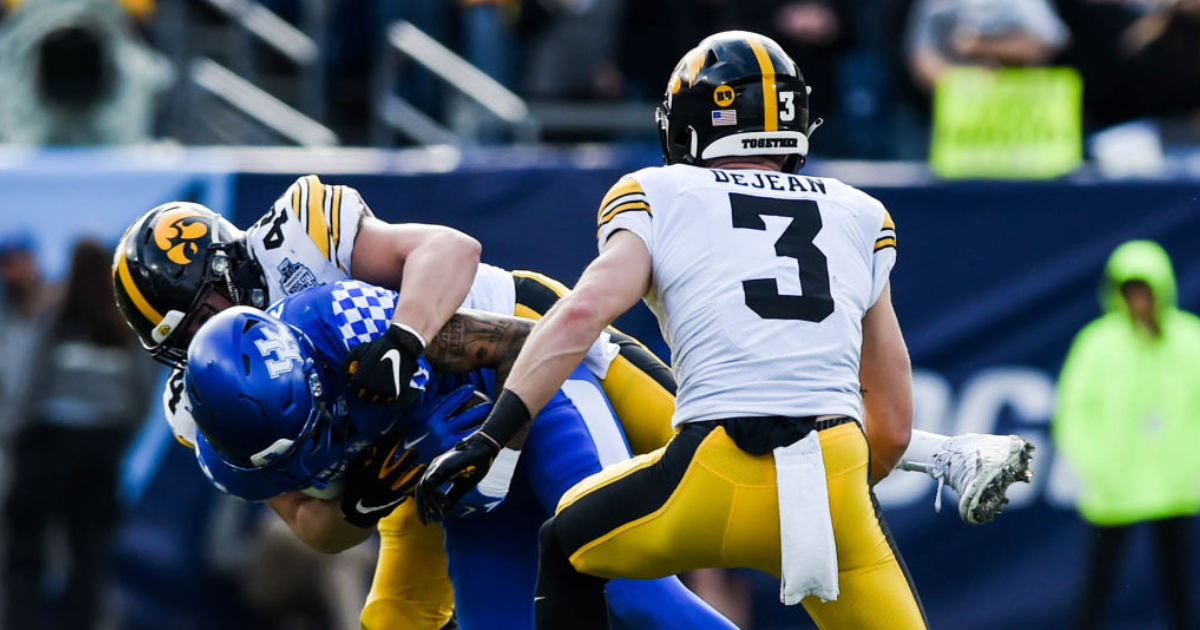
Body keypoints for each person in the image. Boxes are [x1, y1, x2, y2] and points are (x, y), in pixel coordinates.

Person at [112, 173, 1028, 623]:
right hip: (423, 467)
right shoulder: (205, 408)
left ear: (233, 263)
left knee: (707, 439)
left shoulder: (309, 255)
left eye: (210, 315)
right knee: (402, 616)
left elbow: (452, 255)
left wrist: (400, 341)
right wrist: (355, 496)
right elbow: (311, 525)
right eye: (184, 345)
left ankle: (937, 450)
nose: (211, 346)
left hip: (512, 354)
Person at [415, 31, 930, 629]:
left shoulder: (660, 192)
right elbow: (892, 429)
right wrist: (819, 501)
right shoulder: (859, 212)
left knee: (566, 547)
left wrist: (492, 436)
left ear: (688, 122)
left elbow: (580, 315)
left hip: (715, 468)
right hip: (836, 475)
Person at [182, 290, 737, 630]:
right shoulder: (232, 466)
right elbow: (320, 530)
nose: (318, 440)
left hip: (536, 399)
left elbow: (530, 344)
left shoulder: (349, 324)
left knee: (635, 592)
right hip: (453, 480)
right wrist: (365, 498)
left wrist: (489, 455)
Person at [5, 238, 158, 630]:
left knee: (26, 552)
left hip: (48, 447)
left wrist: (15, 436)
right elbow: (142, 395)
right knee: (88, 554)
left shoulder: (54, 317)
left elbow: (27, 385)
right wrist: (117, 441)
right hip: (101, 452)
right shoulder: (125, 325)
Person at [1054, 239, 1200, 630]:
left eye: (1145, 289)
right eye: (1130, 290)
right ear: (1118, 292)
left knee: (1181, 593)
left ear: (1161, 289)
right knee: (1096, 591)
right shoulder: (1097, 343)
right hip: (1113, 491)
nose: (1138, 299)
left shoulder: (1191, 340)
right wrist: (1097, 467)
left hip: (1177, 489)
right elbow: (1072, 411)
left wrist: (1191, 465)